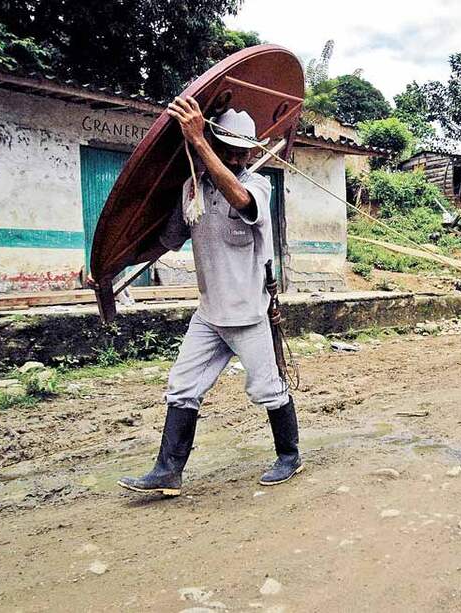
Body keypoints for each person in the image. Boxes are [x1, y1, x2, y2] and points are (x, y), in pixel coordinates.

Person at [118, 97, 301, 496]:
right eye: (228, 150)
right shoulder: (192, 189)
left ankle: (289, 456)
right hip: (208, 314)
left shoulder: (257, 185)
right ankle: (168, 472)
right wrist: (116, 261)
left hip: (249, 312)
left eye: (242, 153)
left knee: (267, 389)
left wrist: (198, 140)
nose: (236, 159)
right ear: (216, 145)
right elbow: (166, 240)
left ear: (250, 153)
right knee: (182, 387)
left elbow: (241, 200)